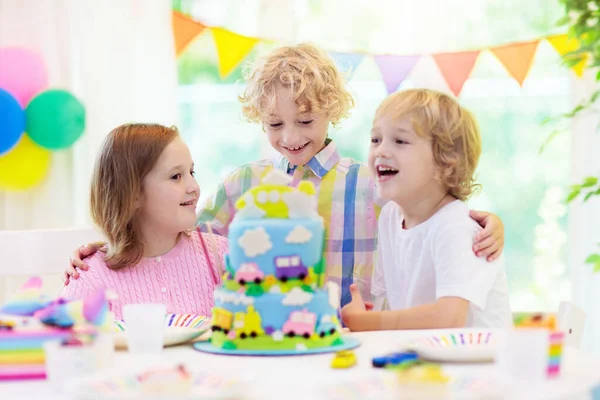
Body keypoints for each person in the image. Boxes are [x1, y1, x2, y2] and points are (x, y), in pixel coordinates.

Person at [63, 44, 504, 307]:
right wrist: (111, 247)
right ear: (259, 120)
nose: (290, 137)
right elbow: (179, 243)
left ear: (332, 111)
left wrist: (480, 220)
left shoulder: (372, 183)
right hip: (273, 343)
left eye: (306, 121)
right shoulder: (242, 186)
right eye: (275, 125)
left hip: (362, 336)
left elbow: (427, 216)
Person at [342, 89, 512, 330]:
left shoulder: (455, 227)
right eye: (376, 139)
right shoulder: (391, 216)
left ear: (445, 162)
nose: (380, 151)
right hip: (427, 358)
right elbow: (391, 302)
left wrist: (367, 322)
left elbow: (449, 318)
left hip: (480, 363)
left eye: (400, 141)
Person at [60, 123, 227, 320]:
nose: (194, 186)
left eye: (192, 172)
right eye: (176, 176)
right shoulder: (89, 277)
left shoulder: (223, 257)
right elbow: (65, 342)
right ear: (133, 194)